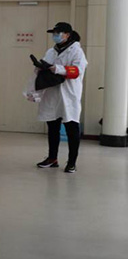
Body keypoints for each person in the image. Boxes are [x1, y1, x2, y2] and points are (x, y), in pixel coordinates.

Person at [36, 23, 87, 173]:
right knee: (53, 127)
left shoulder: (76, 51)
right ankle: (52, 158)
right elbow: (46, 65)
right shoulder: (52, 51)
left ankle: (72, 162)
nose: (55, 36)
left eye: (58, 33)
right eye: (54, 33)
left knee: (71, 128)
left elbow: (77, 71)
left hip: (68, 94)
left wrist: (57, 69)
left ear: (67, 35)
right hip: (52, 92)